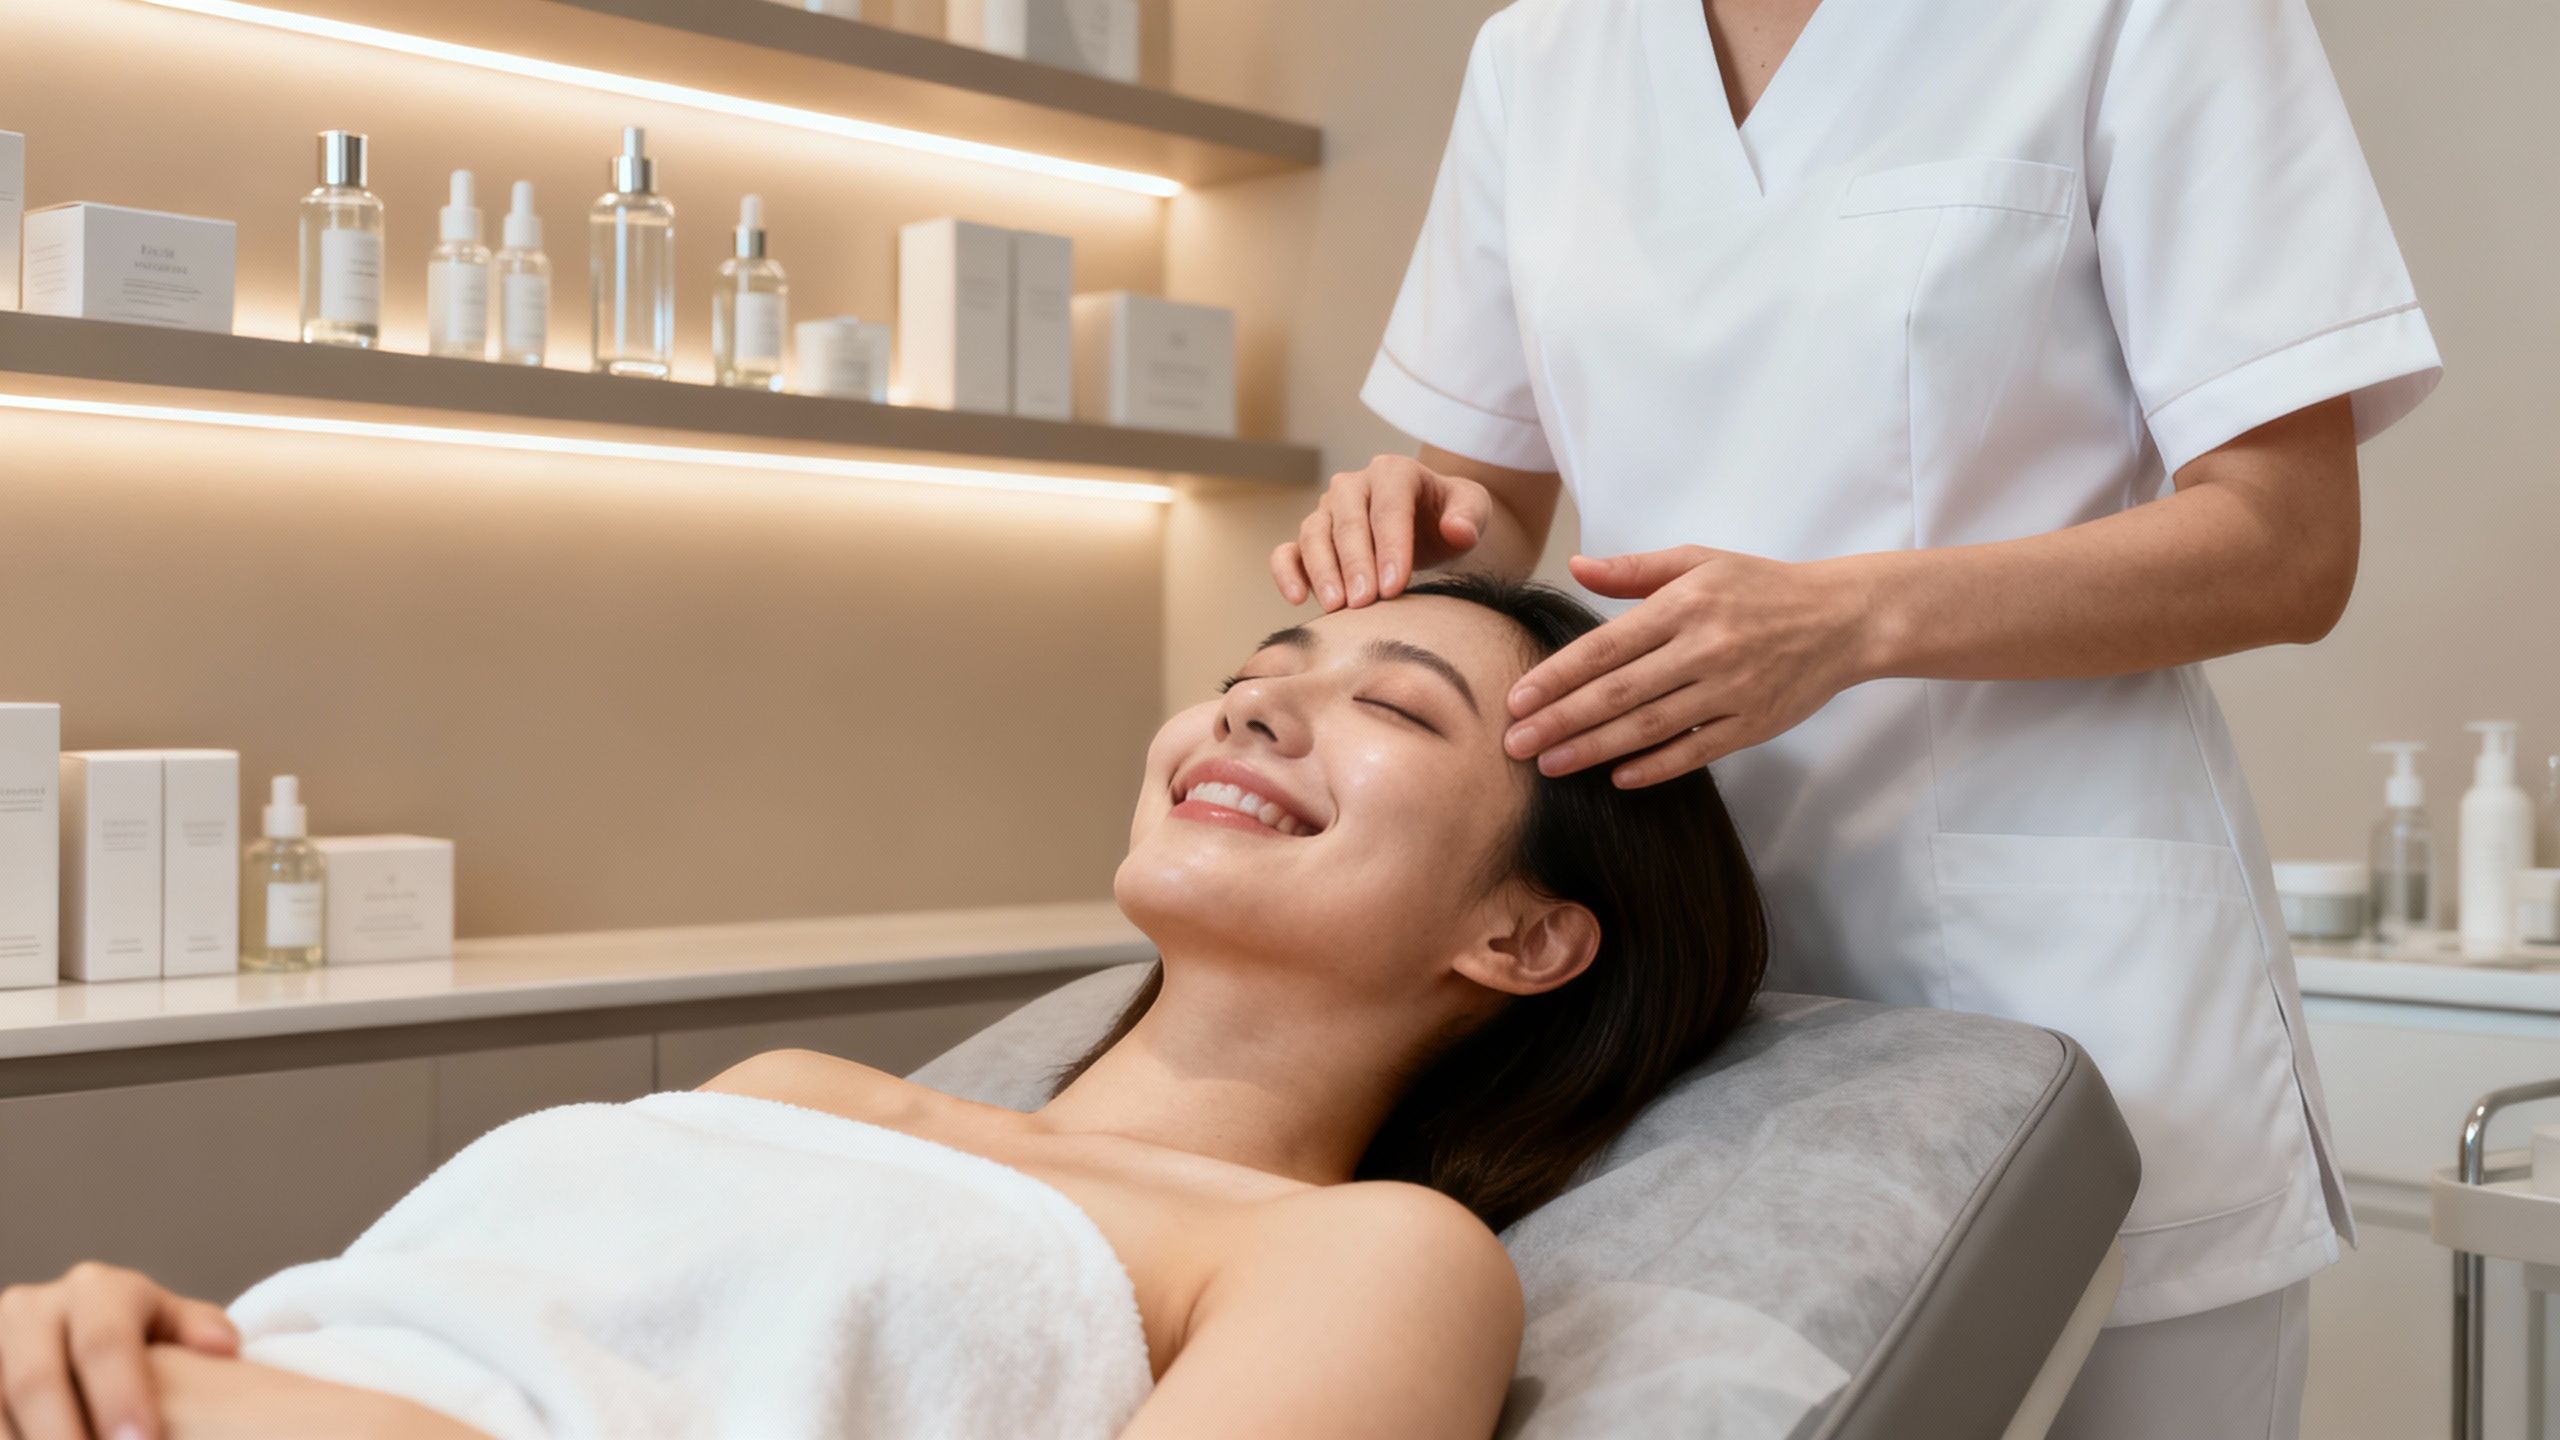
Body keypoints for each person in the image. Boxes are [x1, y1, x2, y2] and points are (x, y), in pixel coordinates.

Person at [1273, 1, 2441, 1435]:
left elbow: (2288, 545)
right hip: (1672, 988)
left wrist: (1851, 619)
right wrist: (1417, 521)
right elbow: (1490, 500)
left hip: (2066, 972)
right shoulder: (1542, 55)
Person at [0, 576, 1768, 1440]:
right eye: (1248, 678)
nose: (1244, 715)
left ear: (1530, 938)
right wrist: (124, 1325)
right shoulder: (798, 1087)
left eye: (1394, 707)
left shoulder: (1358, 1258)